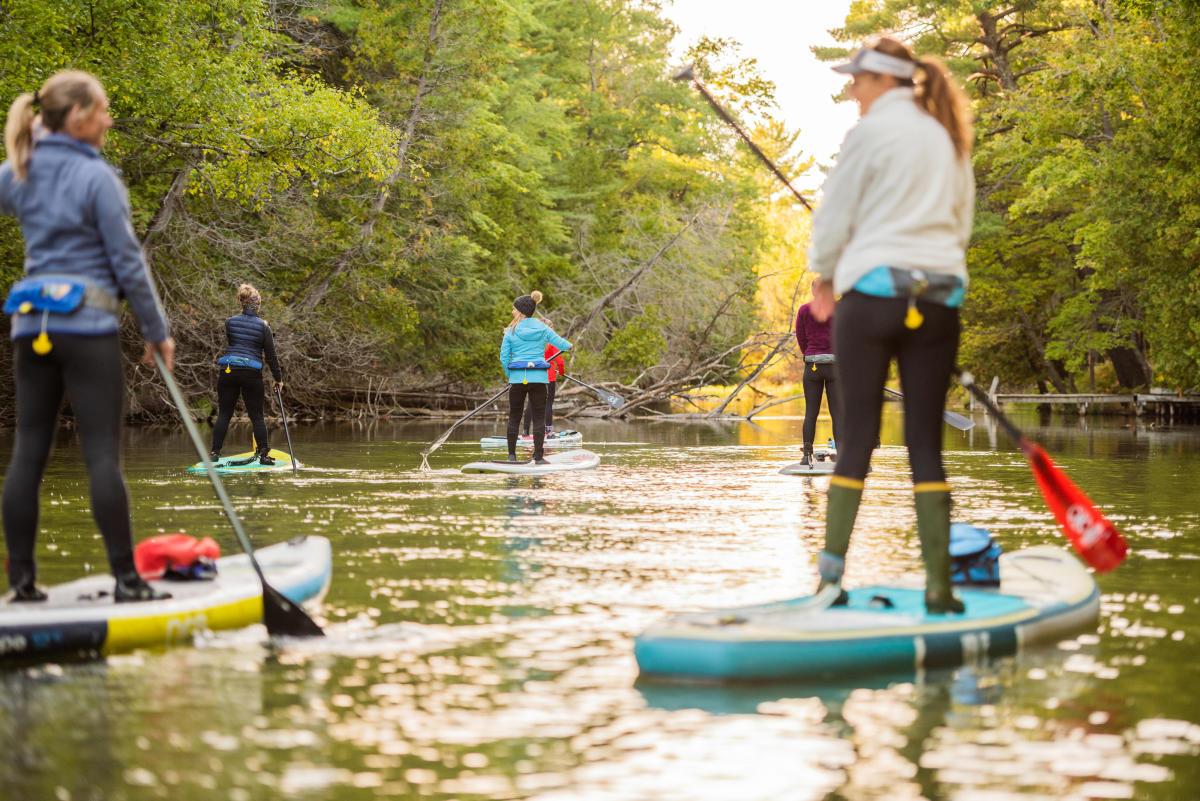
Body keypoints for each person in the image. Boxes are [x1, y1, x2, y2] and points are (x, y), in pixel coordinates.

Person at [806, 38, 975, 614]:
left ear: (882, 79)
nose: (851, 89)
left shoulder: (868, 133)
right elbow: (962, 222)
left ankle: (830, 584)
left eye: (857, 79)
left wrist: (824, 274)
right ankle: (939, 590)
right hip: (938, 298)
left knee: (857, 442)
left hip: (871, 296)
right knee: (926, 446)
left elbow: (833, 215)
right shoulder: (947, 136)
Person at [0, 70, 176, 602]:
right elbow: (127, 261)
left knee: (28, 450)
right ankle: (127, 582)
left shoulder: (18, 170)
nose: (109, 118)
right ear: (77, 116)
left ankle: (22, 586)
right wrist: (156, 331)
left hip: (30, 329)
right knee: (102, 452)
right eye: (102, 108)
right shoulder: (98, 178)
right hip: (87, 328)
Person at [209, 283, 283, 465]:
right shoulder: (264, 327)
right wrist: (278, 379)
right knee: (256, 416)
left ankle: (214, 453)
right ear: (258, 305)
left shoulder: (230, 322)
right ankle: (264, 455)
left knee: (224, 413)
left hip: (229, 370)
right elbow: (271, 356)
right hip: (251, 373)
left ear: (241, 303)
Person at [500, 291, 572, 463]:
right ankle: (538, 457)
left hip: (518, 379)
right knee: (539, 418)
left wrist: (511, 376)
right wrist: (565, 349)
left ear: (521, 311)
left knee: (514, 417)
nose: (512, 312)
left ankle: (512, 457)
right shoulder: (543, 328)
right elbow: (566, 345)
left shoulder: (511, 331)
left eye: (514, 309)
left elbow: (504, 358)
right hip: (539, 379)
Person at [795, 282, 841, 466]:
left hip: (812, 365)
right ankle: (842, 454)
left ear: (814, 291)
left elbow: (801, 337)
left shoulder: (804, 310)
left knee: (811, 413)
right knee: (837, 413)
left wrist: (810, 353)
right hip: (835, 366)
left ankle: (807, 455)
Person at [521, 322, 567, 439]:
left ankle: (525, 431)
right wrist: (561, 371)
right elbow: (560, 361)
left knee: (531, 403)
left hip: (533, 376)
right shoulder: (552, 342)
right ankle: (548, 432)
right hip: (548, 378)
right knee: (547, 404)